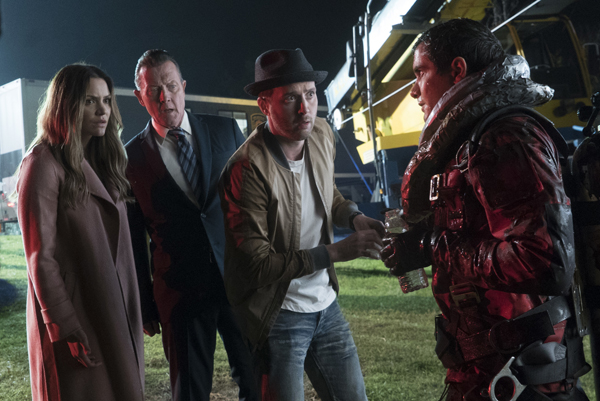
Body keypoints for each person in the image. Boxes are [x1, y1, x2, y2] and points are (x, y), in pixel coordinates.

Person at [380, 19, 590, 401]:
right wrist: (422, 244)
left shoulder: (504, 136)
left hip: (524, 379)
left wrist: (433, 247)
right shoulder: (473, 138)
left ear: (457, 70)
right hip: (488, 376)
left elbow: (545, 261)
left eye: (421, 72)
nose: (413, 90)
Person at [219, 48, 385, 401]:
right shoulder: (247, 168)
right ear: (264, 104)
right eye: (290, 98)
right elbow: (256, 265)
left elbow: (328, 193)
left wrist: (354, 217)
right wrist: (335, 252)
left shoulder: (321, 133)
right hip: (277, 313)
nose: (305, 108)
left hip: (325, 305)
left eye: (310, 94)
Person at [126, 49, 256, 401]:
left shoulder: (226, 131)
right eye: (154, 90)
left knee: (257, 382)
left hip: (239, 281)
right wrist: (145, 306)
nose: (165, 97)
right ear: (140, 97)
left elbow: (254, 205)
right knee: (189, 392)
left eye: (171, 86)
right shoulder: (130, 159)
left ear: (183, 86)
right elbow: (134, 241)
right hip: (180, 294)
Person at [17, 64, 144, 401]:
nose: (103, 110)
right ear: (67, 105)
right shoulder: (42, 163)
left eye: (106, 100)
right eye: (90, 101)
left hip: (113, 308)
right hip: (78, 316)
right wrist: (64, 324)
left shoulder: (105, 160)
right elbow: (40, 258)